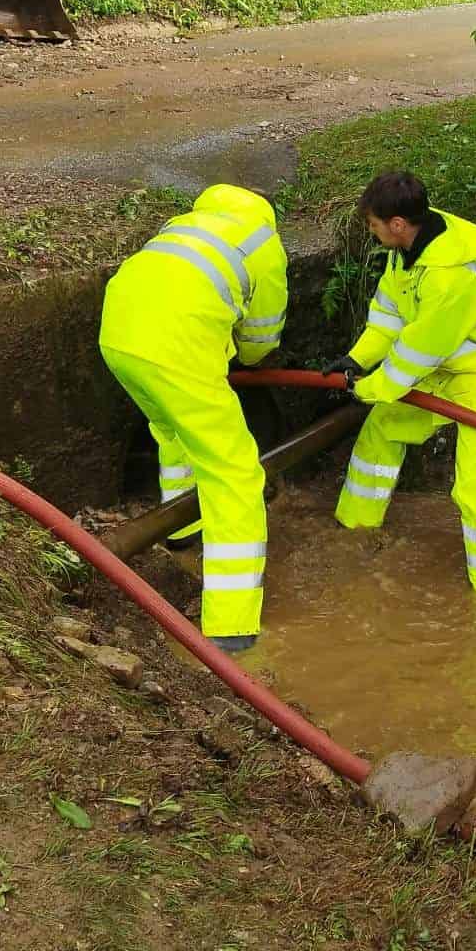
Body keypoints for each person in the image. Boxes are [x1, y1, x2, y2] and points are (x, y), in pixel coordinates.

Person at [99, 183, 287, 652]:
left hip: (118, 337)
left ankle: (181, 534)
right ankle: (231, 626)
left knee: (171, 429)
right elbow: (261, 339)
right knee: (235, 473)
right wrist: (244, 355)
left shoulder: (186, 223)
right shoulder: (264, 243)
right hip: (177, 350)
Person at [324, 171, 476, 591]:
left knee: (474, 483)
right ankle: (356, 530)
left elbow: (415, 354)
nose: (370, 229)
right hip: (443, 367)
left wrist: (368, 388)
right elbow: (388, 316)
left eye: (373, 223)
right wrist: (356, 358)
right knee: (382, 427)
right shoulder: (409, 250)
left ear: (397, 224)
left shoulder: (451, 277)